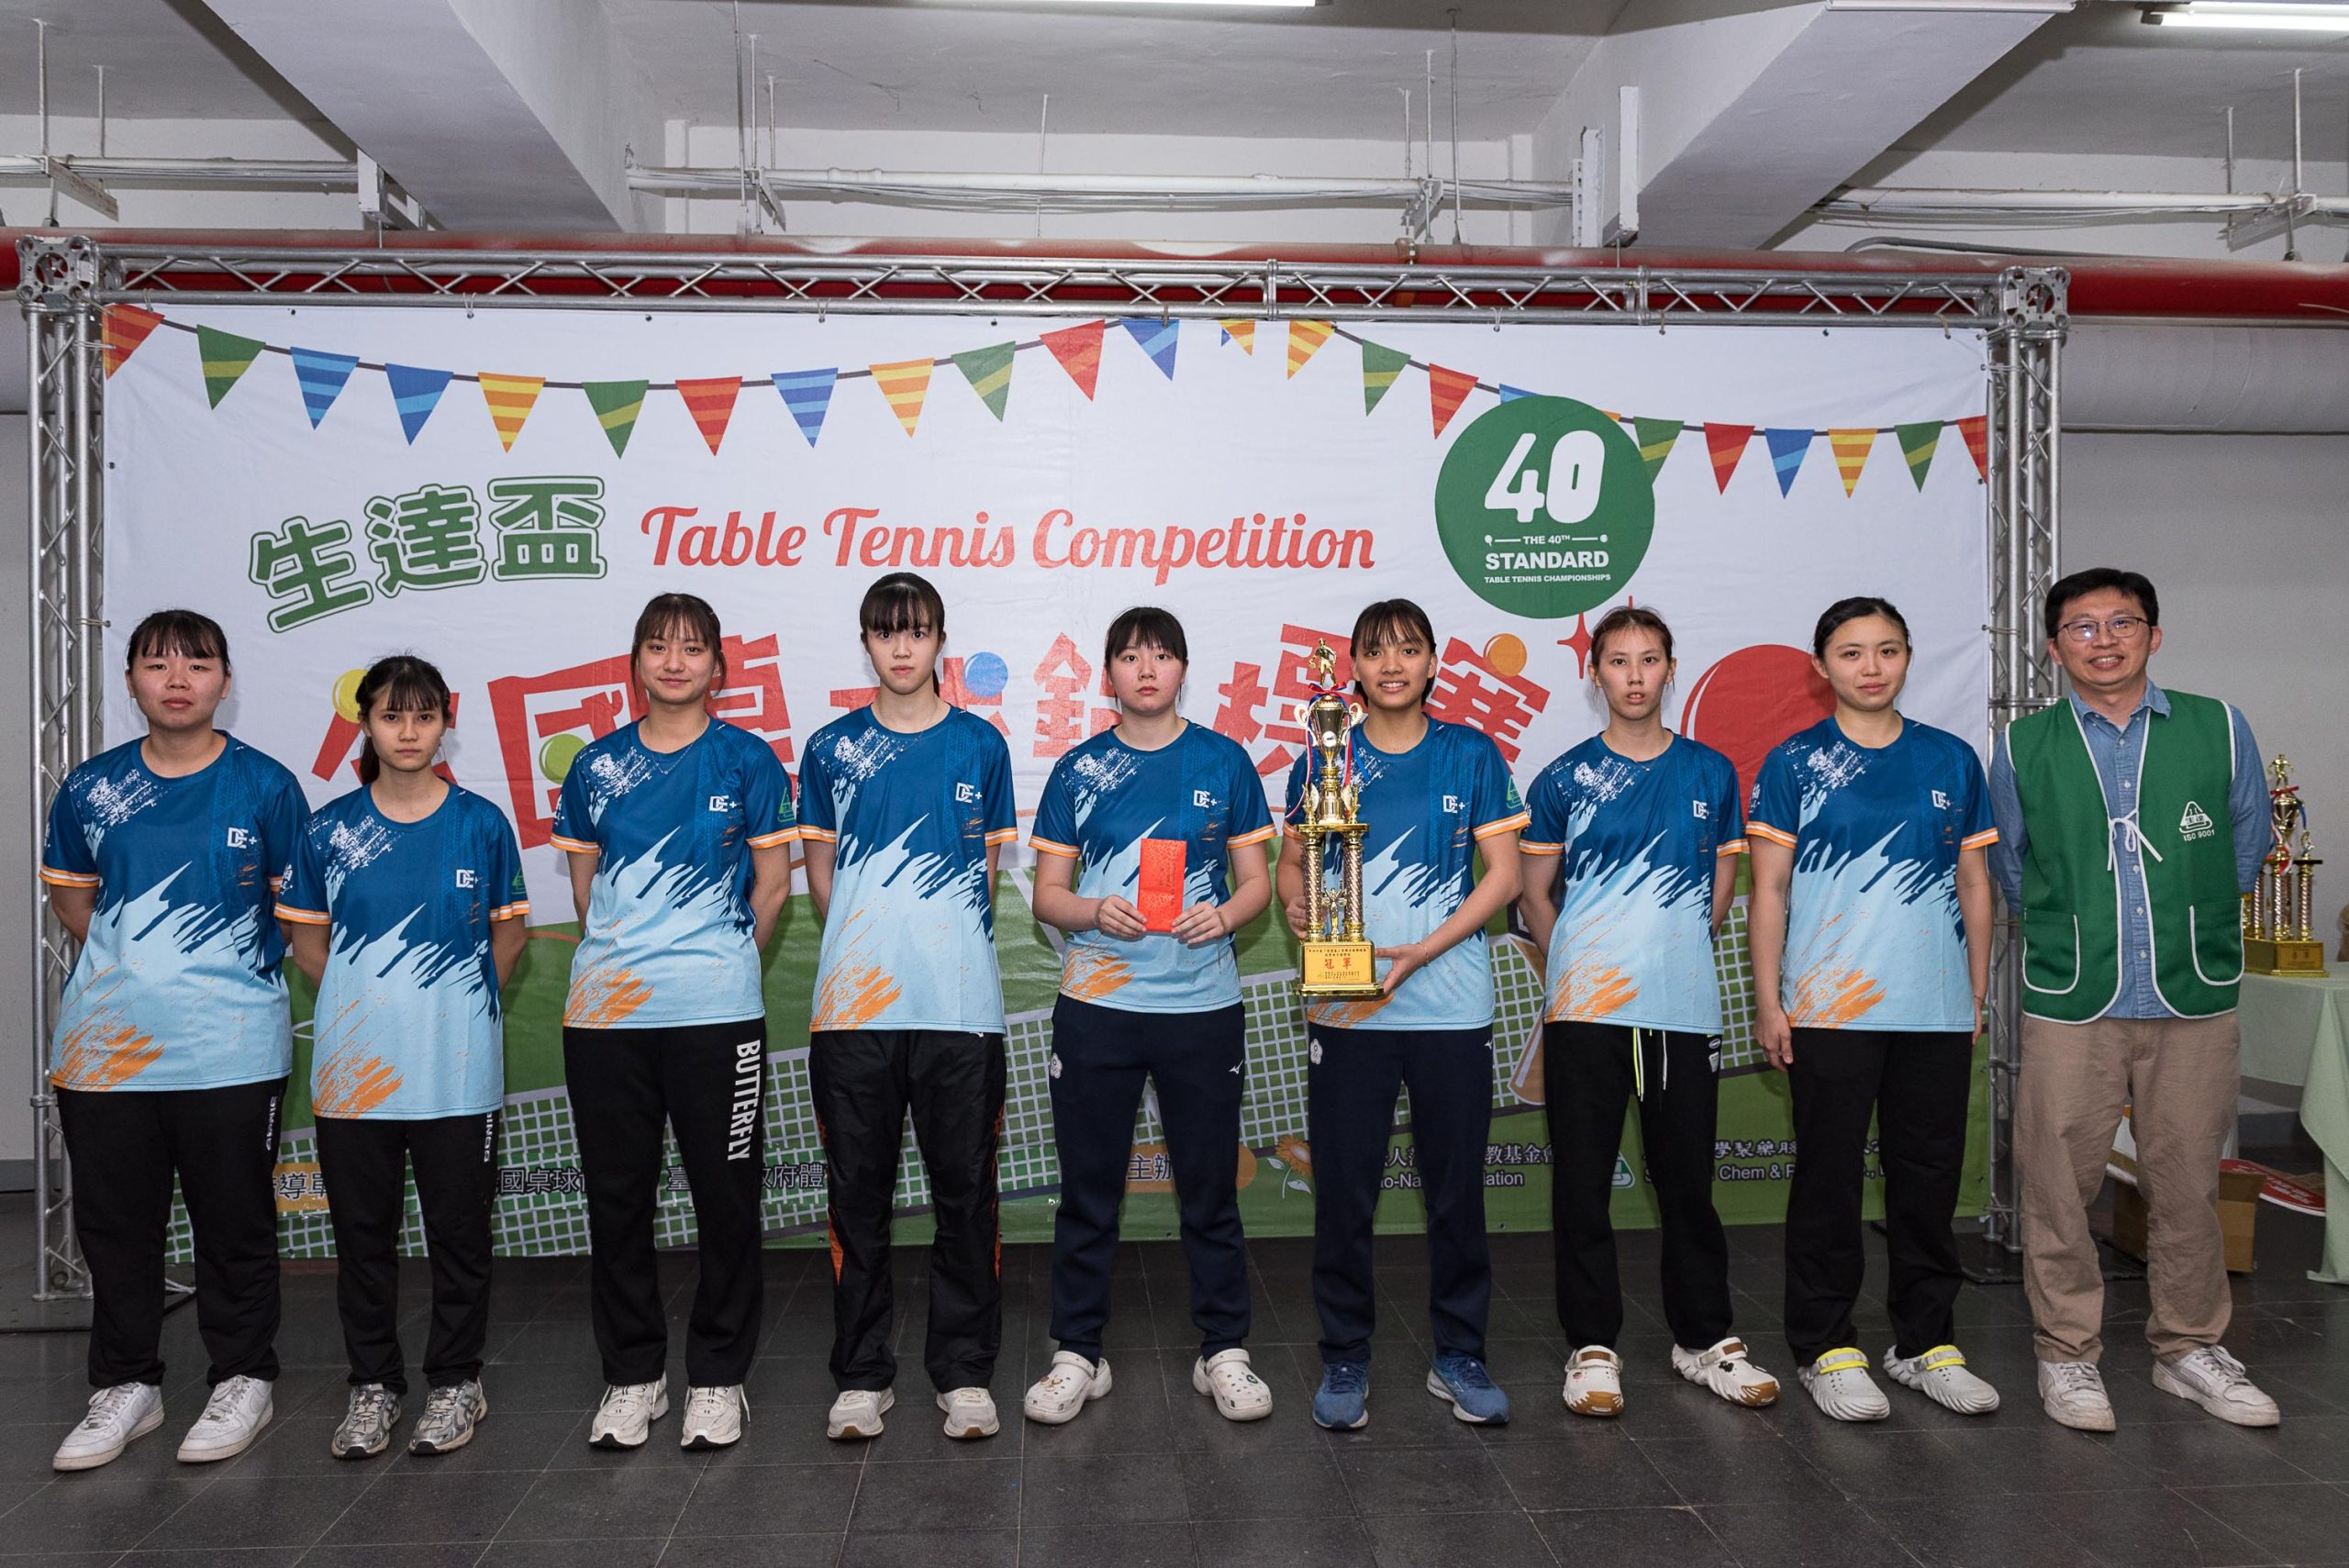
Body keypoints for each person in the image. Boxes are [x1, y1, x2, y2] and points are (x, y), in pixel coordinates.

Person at [1990, 567, 2279, 1431]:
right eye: (2082, 626)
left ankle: (2188, 1347)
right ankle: (2067, 1354)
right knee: (2056, 1186)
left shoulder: (2219, 725)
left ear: (2155, 634)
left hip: (2192, 992)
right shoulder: (2021, 745)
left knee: (2186, 1181)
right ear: (2053, 648)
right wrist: (2078, 923)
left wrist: (2189, 915)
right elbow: (2012, 864)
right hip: (2072, 996)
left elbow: (2248, 840)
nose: (2104, 639)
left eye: (2123, 622)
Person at [42, 609, 306, 1472]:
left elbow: (295, 909)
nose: (178, 679)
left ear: (226, 680)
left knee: (234, 1221)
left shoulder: (264, 785)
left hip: (230, 1044)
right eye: (157, 664)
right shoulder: (92, 787)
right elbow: (75, 900)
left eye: (197, 663)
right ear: (131, 682)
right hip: (106, 1045)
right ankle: (127, 1383)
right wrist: (139, 968)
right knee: (118, 1225)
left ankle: (242, 1376)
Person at [1517, 606, 1780, 1418]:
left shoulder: (1711, 773)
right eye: (1618, 661)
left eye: (1650, 659)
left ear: (1670, 667)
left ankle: (1703, 1339)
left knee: (1688, 1182)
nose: (1635, 676)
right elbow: (1534, 893)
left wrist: (1665, 952)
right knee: (1582, 1184)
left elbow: (1722, 889)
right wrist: (1582, 962)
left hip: (1680, 1007)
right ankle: (1592, 1346)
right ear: (1593, 673)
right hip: (1585, 1011)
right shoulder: (1562, 779)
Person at [1747, 595, 2002, 1423]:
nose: (1871, 666)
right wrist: (1770, 1000)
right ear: (1821, 667)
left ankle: (1925, 1342)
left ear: (1907, 658)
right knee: (1827, 1180)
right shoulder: (1794, 762)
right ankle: (1824, 1345)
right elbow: (1769, 892)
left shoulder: (1951, 758)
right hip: (1828, 1007)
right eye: (1852, 652)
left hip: (1933, 1006)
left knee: (1927, 1180)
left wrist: (1973, 991)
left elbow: (1974, 882)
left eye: (1887, 649)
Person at [551, 594, 796, 1451]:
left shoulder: (748, 760)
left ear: (718, 668)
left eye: (692, 649)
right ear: (635, 664)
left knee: (725, 1199)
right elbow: (587, 892)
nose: (675, 662)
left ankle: (719, 1376)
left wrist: (719, 961)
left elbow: (773, 886)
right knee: (618, 1200)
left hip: (716, 1015)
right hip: (607, 1019)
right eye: (658, 647)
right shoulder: (596, 767)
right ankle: (633, 1376)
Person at [1276, 599, 1528, 1430]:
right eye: (1377, 651)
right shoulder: (1326, 754)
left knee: (1455, 1194)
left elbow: (1504, 876)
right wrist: (1303, 913)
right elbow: (1291, 865)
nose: (1393, 664)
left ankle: (1460, 1354)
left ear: (1432, 664)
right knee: (1345, 1195)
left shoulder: (1471, 753)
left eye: (1409, 649)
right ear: (1352, 665)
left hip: (1450, 1008)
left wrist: (1424, 950)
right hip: (1348, 1012)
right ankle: (1345, 1356)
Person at [1022, 607, 1277, 1428]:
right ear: (1108, 674)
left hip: (1200, 1007)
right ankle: (1077, 1353)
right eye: (1130, 656)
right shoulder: (1079, 769)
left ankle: (1224, 1350)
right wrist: (1093, 910)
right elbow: (1047, 896)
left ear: (1182, 669)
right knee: (1088, 1191)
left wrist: (1225, 915)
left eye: (1161, 655)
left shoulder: (1223, 760)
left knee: (1209, 1189)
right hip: (1097, 1007)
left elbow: (1257, 882)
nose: (1145, 669)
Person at [277, 655, 529, 1459]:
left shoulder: (481, 824)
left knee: (460, 1235)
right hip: (355, 1073)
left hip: (457, 1071)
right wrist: (367, 1004)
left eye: (424, 716)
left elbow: (509, 934)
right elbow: (308, 944)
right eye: (392, 716)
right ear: (367, 724)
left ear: (445, 723)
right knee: (363, 1239)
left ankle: (457, 1380)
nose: (409, 731)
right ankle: (373, 1386)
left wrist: (453, 1004)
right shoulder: (328, 830)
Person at [799, 573, 1017, 1442]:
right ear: (866, 643)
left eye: (917, 631)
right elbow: (822, 877)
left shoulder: (980, 745)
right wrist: (870, 943)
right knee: (858, 1197)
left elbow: (986, 878)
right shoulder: (830, 749)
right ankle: (862, 1375)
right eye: (886, 632)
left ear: (939, 643)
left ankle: (963, 1372)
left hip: (959, 1008)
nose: (901, 646)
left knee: (965, 1194)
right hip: (855, 1009)